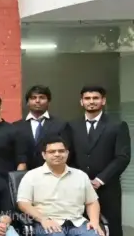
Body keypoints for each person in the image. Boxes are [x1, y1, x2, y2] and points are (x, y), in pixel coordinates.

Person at [67, 86, 130, 236]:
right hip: (79, 187)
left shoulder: (117, 125)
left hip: (108, 186)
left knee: (112, 227)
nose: (91, 102)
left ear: (103, 101)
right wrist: (80, 179)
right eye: (87, 98)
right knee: (82, 227)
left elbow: (122, 157)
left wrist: (100, 180)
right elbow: (68, 156)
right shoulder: (72, 125)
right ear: (81, 102)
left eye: (95, 98)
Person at [17, 136, 105, 236]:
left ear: (67, 153)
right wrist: (43, 219)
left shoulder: (81, 175)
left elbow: (92, 202)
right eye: (52, 152)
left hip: (78, 223)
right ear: (44, 155)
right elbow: (23, 203)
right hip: (46, 223)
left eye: (61, 151)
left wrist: (94, 221)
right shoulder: (31, 176)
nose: (57, 154)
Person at [13, 86, 67, 170]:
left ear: (48, 101)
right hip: (24, 173)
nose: (37, 101)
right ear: (27, 102)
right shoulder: (16, 126)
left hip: (52, 172)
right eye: (33, 98)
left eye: (42, 97)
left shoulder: (60, 124)